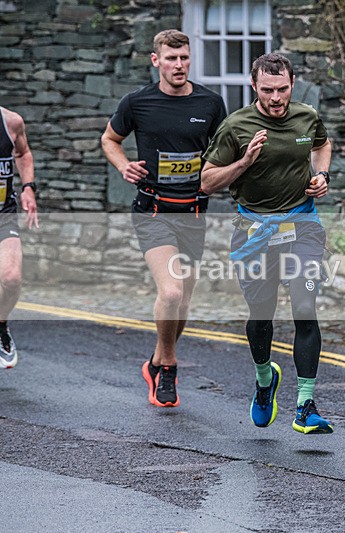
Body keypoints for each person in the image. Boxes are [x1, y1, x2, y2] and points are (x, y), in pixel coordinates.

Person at [201, 53, 334, 434]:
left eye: (283, 89)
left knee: (305, 306)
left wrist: (321, 174)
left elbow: (322, 145)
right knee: (261, 314)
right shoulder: (236, 126)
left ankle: (305, 405)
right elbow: (207, 182)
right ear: (253, 86)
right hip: (255, 231)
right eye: (267, 90)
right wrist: (243, 163)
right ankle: (265, 381)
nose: (276, 98)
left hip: (302, 225)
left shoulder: (306, 116)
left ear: (293, 84)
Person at [101, 29, 227, 407]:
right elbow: (110, 139)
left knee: (184, 301)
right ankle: (169, 366)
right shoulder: (137, 102)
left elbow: (222, 150)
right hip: (153, 211)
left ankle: (155, 360)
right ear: (156, 60)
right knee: (170, 291)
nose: (179, 65)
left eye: (184, 58)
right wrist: (123, 166)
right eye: (171, 58)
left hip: (192, 213)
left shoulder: (210, 103)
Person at [0, 107, 38, 369]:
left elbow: (22, 153)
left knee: (11, 278)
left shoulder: (11, 121)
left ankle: (1, 325)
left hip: (3, 215)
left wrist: (28, 188)